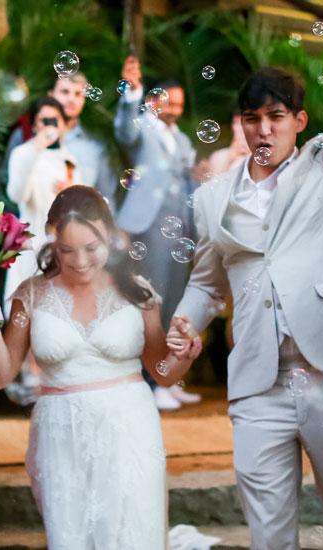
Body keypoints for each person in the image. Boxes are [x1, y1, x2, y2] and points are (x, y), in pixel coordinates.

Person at [171, 0, 323, 545]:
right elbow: (204, 282)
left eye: (276, 117)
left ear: (299, 121)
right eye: (253, 118)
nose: (263, 129)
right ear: (241, 125)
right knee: (268, 533)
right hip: (256, 380)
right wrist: (185, 324)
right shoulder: (212, 197)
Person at [0, 186, 203, 548]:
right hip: (61, 434)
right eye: (66, 250)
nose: (79, 262)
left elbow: (161, 371)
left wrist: (183, 354)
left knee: (134, 534)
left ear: (109, 235)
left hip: (130, 429)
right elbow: (1, 376)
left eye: (92, 249)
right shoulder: (30, 294)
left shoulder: (137, 291)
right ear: (52, 238)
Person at [114, 59, 197, 410]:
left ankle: (168, 375)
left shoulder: (181, 138)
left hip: (180, 229)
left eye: (179, 102)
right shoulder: (141, 126)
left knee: (175, 302)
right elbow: (124, 131)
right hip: (149, 227)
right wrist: (130, 92)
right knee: (152, 300)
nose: (174, 108)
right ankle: (148, 381)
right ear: (152, 101)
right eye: (168, 101)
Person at [3, 97, 80, 312]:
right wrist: (38, 145)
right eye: (43, 120)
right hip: (32, 243)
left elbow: (85, 209)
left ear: (63, 124)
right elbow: (17, 194)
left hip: (64, 246)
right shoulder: (23, 153)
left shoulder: (70, 161)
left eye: (54, 120)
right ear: (35, 124)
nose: (49, 126)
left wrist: (71, 194)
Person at [0, 73, 114, 202]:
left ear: (84, 99)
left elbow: (106, 196)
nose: (71, 99)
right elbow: (7, 185)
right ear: (51, 95)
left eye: (78, 94)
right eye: (65, 92)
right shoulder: (25, 135)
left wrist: (77, 195)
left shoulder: (94, 146)